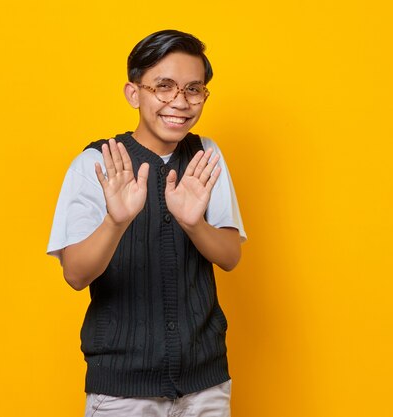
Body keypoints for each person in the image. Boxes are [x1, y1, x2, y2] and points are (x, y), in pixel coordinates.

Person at [47, 29, 246, 417]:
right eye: (164, 87)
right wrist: (116, 221)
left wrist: (194, 224)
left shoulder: (205, 155)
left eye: (193, 89)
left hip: (205, 383)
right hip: (122, 389)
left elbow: (230, 256)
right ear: (134, 93)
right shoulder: (96, 164)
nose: (180, 102)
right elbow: (75, 274)